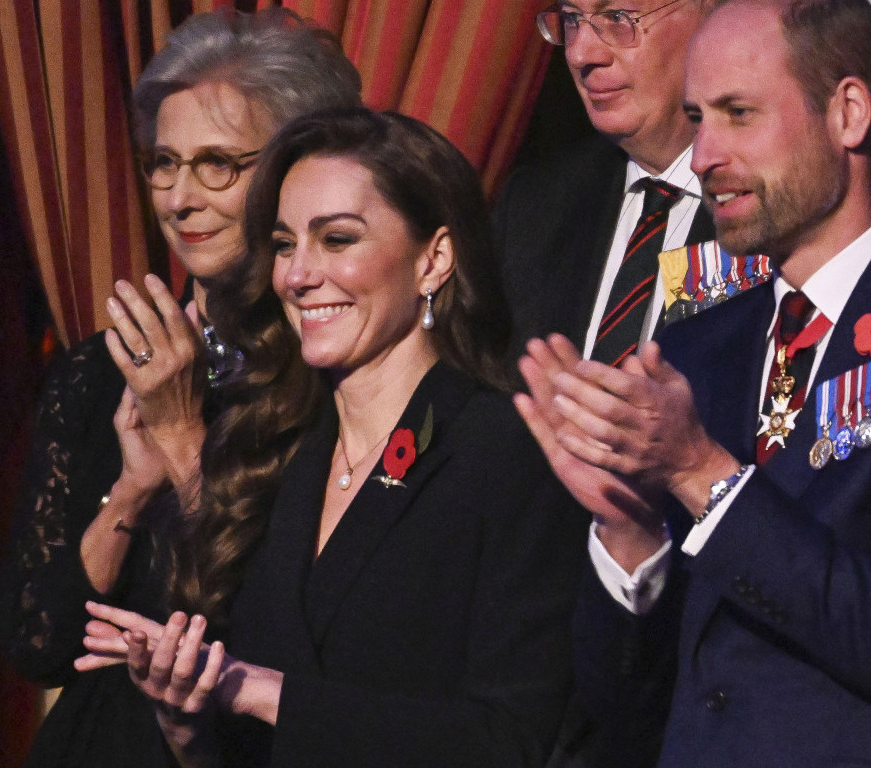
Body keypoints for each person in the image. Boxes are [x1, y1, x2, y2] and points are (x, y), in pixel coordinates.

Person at [515, 0, 871, 765]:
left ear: (848, 112)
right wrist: (627, 531)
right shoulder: (696, 345)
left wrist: (701, 473)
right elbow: (630, 705)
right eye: (696, 116)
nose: (704, 153)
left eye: (738, 115)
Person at [73, 108, 589, 768]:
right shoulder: (272, 449)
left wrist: (260, 691)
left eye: (337, 239)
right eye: (286, 244)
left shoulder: (506, 450)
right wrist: (184, 716)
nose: (296, 275)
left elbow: (512, 741)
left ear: (434, 259)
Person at [0, 10, 360, 766]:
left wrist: (186, 438)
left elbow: (284, 640)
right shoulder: (103, 371)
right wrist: (130, 490)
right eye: (164, 163)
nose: (179, 198)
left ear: (298, 170)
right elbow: (35, 643)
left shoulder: (337, 375)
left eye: (217, 164)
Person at [493, 0, 717, 368]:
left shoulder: (782, 203)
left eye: (617, 18)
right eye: (571, 20)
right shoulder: (535, 204)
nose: (581, 54)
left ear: (714, 17)